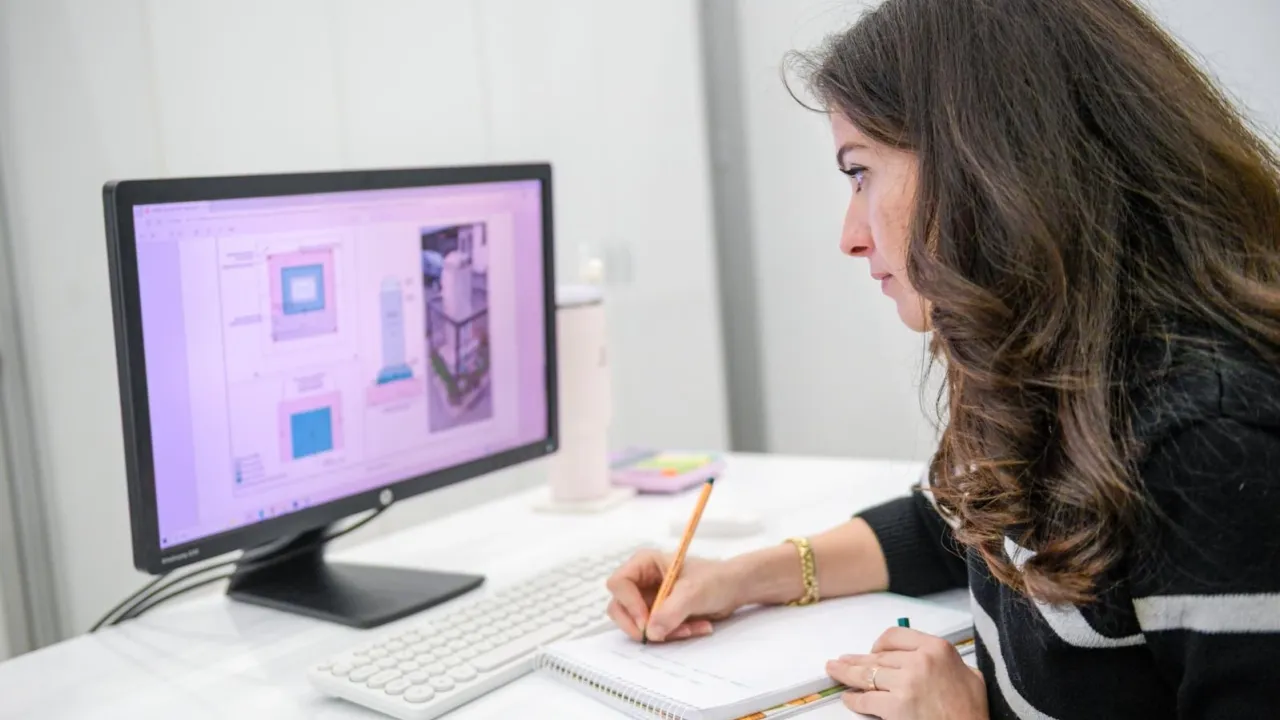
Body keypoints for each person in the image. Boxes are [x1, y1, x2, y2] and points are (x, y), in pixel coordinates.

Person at [605, 0, 1280, 718]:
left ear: (988, 164)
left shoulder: (1214, 447)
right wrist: (742, 577)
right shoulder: (1060, 371)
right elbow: (957, 524)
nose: (850, 235)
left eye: (860, 173)